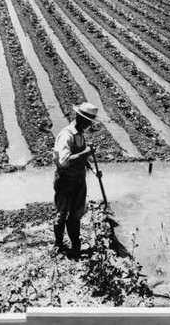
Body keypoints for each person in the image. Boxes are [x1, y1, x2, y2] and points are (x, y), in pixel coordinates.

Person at [52, 101, 98, 258]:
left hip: (79, 180)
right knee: (61, 215)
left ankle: (75, 246)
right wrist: (86, 152)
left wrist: (93, 168)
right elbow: (65, 161)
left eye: (90, 121)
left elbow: (83, 159)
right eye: (86, 120)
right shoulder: (67, 135)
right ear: (78, 116)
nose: (88, 124)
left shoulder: (80, 134)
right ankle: (58, 244)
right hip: (65, 181)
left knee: (76, 215)